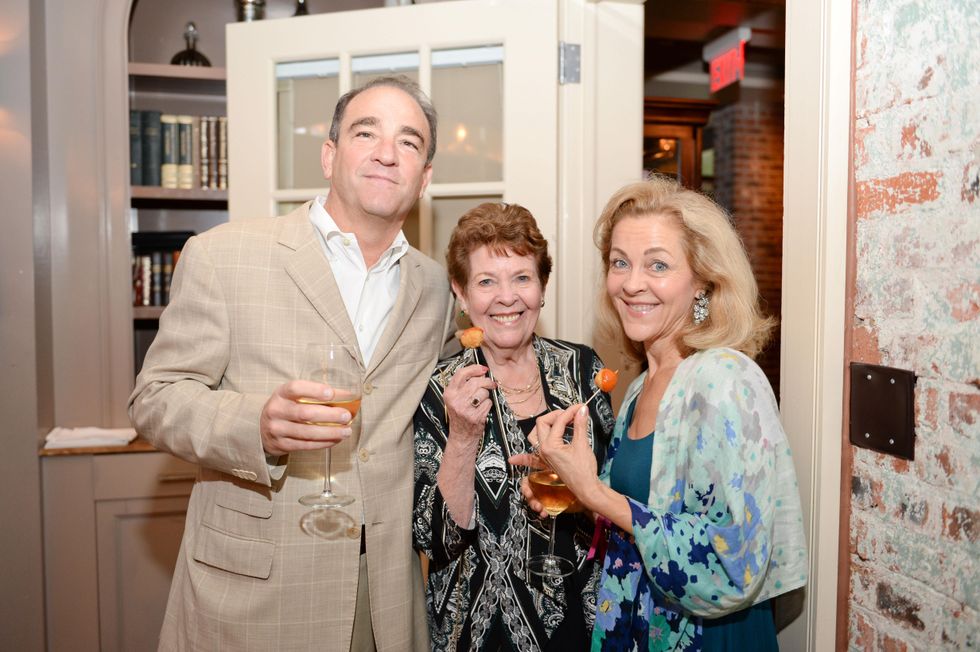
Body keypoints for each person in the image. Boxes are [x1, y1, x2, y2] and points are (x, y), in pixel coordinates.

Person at [129, 76, 455, 651]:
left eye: (409, 142)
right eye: (366, 133)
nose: (387, 152)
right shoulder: (223, 255)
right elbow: (155, 399)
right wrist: (254, 425)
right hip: (254, 594)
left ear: (424, 177)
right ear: (329, 156)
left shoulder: (434, 287)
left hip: (382, 594)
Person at [522, 177, 808, 650]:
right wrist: (574, 492)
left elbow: (733, 561)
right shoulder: (640, 386)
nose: (632, 283)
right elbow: (640, 509)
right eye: (620, 262)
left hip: (711, 636)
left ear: (703, 282)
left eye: (658, 264)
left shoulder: (726, 380)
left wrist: (594, 492)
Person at [412, 202, 615, 651]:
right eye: (486, 281)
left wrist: (580, 492)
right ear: (461, 294)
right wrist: (463, 435)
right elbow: (435, 540)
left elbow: (617, 499)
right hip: (477, 630)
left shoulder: (583, 370)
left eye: (522, 278)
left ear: (542, 288)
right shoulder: (438, 390)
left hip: (583, 619)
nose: (507, 298)